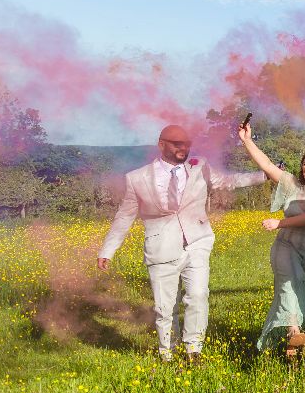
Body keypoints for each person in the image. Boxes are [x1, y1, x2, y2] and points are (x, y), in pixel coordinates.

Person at [97, 123, 266, 363]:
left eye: (186, 144)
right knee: (164, 307)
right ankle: (167, 352)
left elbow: (228, 181)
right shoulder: (137, 178)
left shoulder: (200, 166)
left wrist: (265, 174)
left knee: (198, 295)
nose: (183, 148)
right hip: (161, 248)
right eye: (177, 144)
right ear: (161, 144)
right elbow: (124, 216)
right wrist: (108, 250)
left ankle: (193, 349)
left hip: (197, 241)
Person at [238, 125, 305, 359]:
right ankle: (293, 332)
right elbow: (268, 165)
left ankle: (304, 339)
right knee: (288, 286)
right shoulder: (292, 184)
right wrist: (247, 140)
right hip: (286, 246)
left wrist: (278, 223)